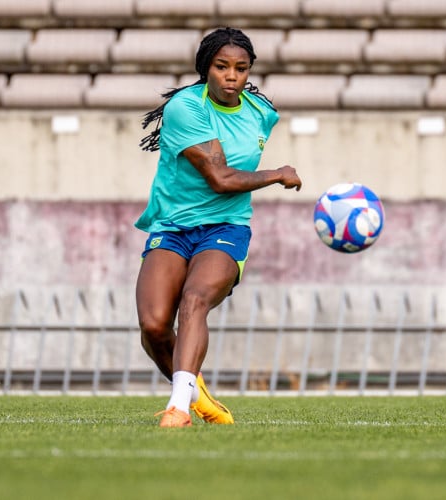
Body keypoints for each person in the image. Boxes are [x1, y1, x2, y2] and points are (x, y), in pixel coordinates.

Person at [135, 27, 302, 428]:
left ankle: (178, 407)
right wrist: (278, 174)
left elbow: (229, 191)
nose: (232, 76)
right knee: (154, 325)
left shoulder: (263, 113)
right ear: (205, 68)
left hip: (226, 228)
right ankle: (198, 393)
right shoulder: (185, 108)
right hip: (174, 225)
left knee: (194, 301)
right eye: (222, 66)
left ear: (250, 73)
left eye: (241, 69)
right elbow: (221, 179)